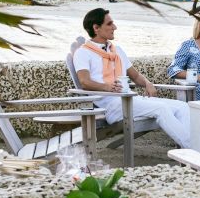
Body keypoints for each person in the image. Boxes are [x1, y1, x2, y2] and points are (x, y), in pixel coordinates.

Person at [74, 8, 190, 148]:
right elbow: (84, 82)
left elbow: (135, 76)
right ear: (96, 28)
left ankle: (191, 148)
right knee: (161, 109)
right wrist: (107, 87)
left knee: (182, 107)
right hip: (110, 105)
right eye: (110, 24)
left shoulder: (117, 51)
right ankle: (194, 151)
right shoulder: (83, 53)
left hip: (130, 100)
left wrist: (147, 83)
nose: (115, 27)